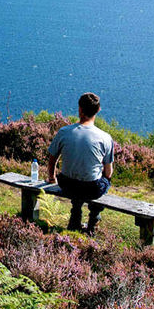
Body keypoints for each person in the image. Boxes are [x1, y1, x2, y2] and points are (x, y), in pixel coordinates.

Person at [47, 92, 115, 233]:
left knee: (77, 184)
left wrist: (52, 178)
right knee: (105, 181)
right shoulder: (105, 138)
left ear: (79, 109)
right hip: (92, 188)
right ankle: (94, 217)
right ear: (98, 110)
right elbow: (108, 172)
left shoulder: (64, 132)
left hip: (67, 184)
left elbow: (52, 158)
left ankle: (75, 215)